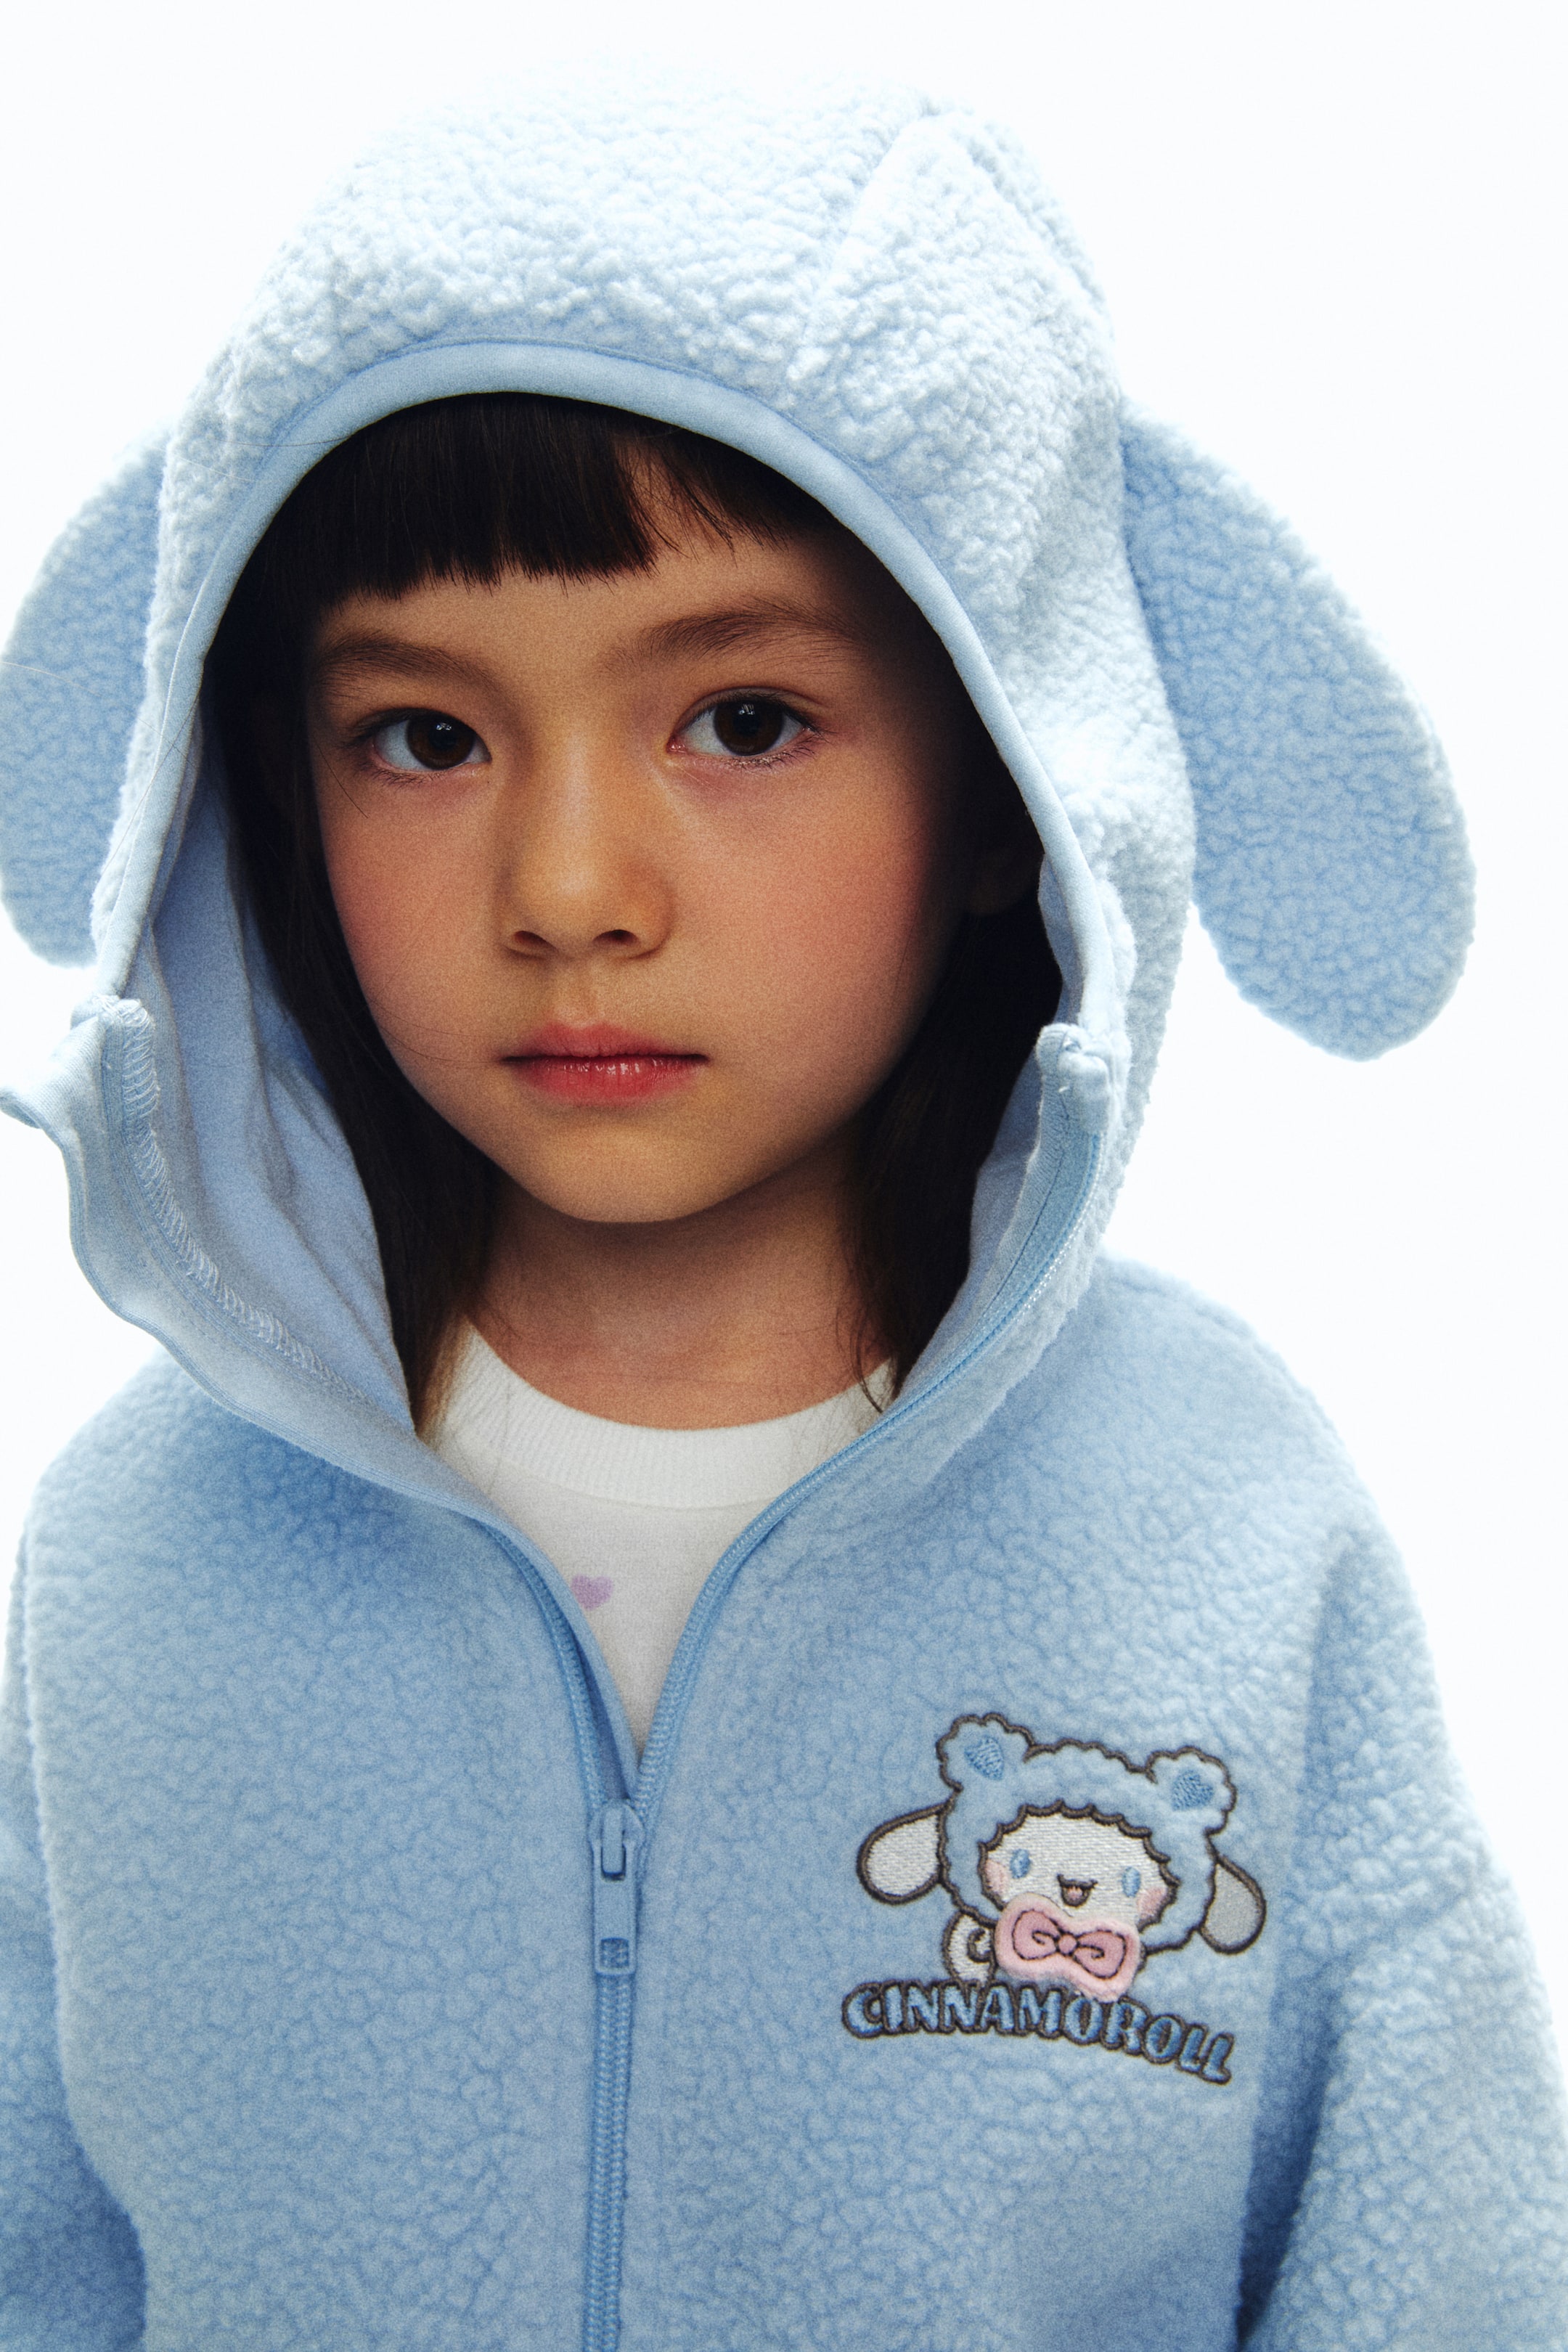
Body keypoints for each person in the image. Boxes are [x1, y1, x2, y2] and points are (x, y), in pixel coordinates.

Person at [0, 65, 1562, 2352]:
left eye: (741, 720)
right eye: (424, 736)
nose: (568, 888)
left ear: (1014, 770)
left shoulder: (1226, 1533)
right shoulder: (143, 1556)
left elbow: (1436, 2264)